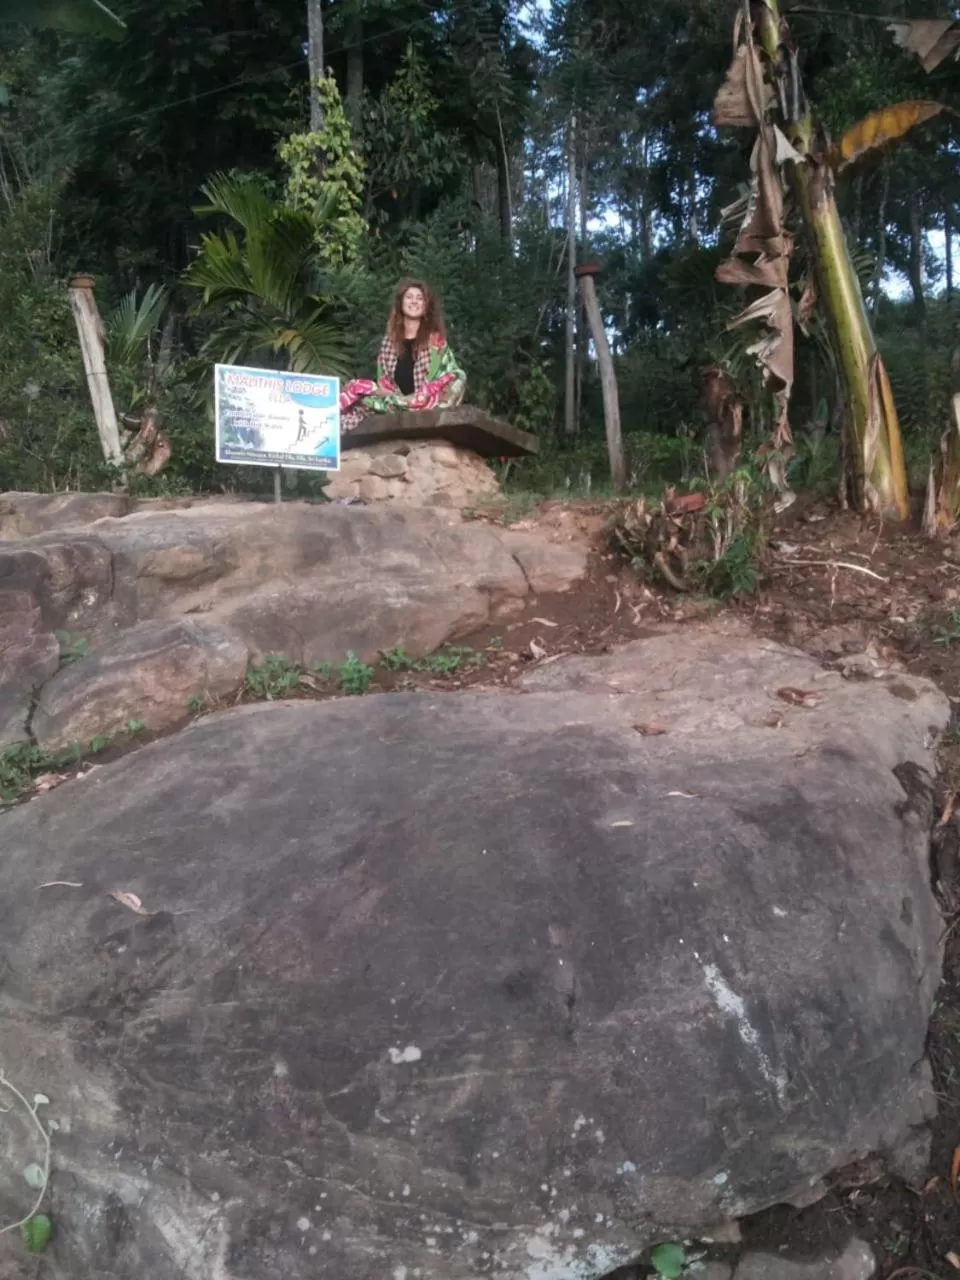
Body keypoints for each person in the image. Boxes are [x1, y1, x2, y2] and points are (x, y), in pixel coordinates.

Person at [339, 279, 466, 432]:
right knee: (357, 390)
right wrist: (388, 396)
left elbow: (450, 375)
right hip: (394, 401)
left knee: (459, 377)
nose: (414, 302)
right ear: (400, 303)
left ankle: (411, 405)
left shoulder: (436, 341)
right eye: (409, 297)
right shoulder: (389, 342)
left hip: (428, 402)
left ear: (426, 307)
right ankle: (403, 405)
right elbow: (384, 383)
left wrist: (422, 397)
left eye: (420, 298)